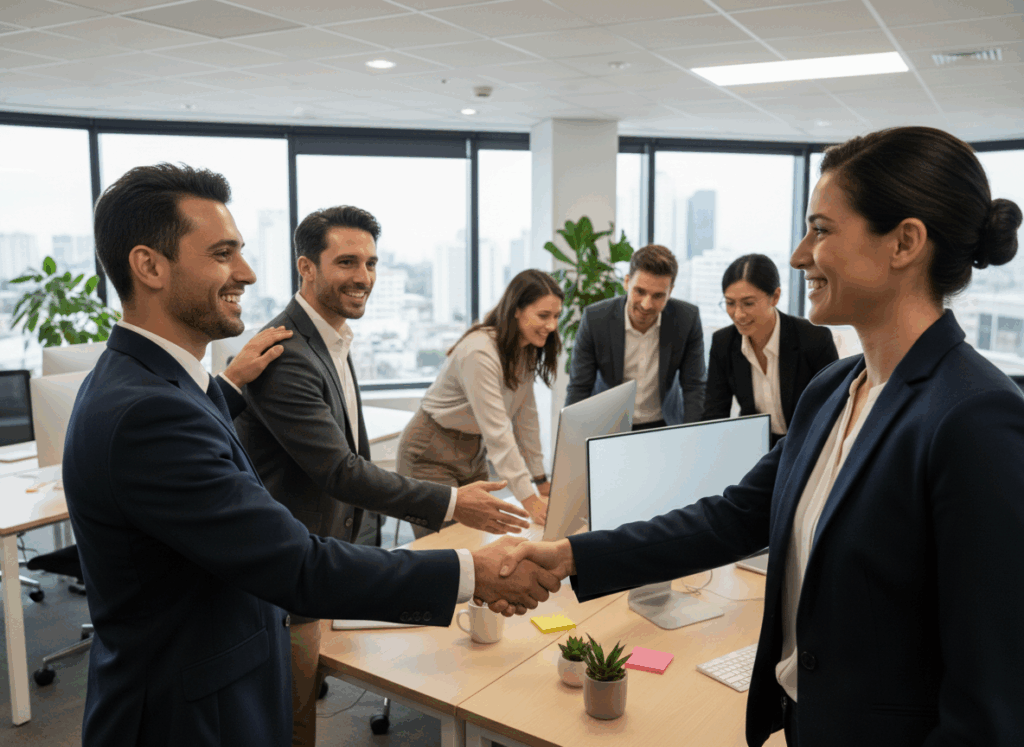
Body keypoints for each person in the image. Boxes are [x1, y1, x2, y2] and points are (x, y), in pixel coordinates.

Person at [496, 127, 1024, 746]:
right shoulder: (834, 388)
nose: (800, 255)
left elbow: (990, 703)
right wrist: (570, 557)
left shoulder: (976, 417)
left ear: (904, 243)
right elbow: (733, 517)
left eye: (821, 229)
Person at [63, 163, 560, 747]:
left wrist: (228, 386)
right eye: (223, 254)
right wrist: (471, 572)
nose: (245, 273)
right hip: (188, 714)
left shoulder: (158, 384)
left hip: (214, 677)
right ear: (149, 266)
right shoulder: (149, 411)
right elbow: (295, 563)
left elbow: (198, 461)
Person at [233, 205, 531, 746]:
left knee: (303, 707)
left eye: (371, 262)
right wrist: (450, 502)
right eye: (346, 261)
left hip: (327, 562)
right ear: (306, 268)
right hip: (292, 576)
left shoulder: (331, 338)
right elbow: (340, 472)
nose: (363, 276)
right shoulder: (287, 352)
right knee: (291, 721)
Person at [397, 269, 562, 535]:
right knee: (444, 552)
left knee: (479, 544)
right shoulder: (479, 352)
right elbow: (498, 432)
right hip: (429, 455)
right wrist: (529, 500)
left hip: (473, 454)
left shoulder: (525, 351)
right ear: (517, 309)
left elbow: (526, 420)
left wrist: (541, 481)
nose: (552, 326)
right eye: (543, 316)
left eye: (556, 316)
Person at [702, 254, 838, 448]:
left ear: (775, 297)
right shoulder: (723, 342)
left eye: (748, 303)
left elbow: (831, 409)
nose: (738, 314)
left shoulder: (813, 338)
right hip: (754, 446)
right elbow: (715, 414)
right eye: (730, 303)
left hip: (806, 444)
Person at [564, 244, 706, 429]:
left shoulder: (687, 319)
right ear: (627, 282)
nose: (646, 305)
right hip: (609, 423)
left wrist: (692, 436)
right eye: (639, 291)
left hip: (664, 424)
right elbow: (579, 387)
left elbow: (694, 387)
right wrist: (571, 442)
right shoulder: (595, 319)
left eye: (658, 296)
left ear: (670, 291)